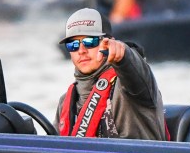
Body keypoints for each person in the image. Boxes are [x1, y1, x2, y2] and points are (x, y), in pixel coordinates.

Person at [54, 8, 166, 141]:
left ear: (109, 42)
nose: (81, 50)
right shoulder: (65, 102)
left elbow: (135, 71)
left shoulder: (131, 85)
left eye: (90, 42)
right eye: (73, 45)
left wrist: (124, 55)